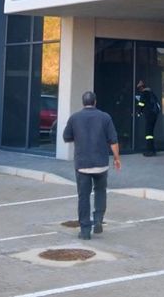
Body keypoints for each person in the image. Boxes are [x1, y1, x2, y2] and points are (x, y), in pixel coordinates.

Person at [62, 90, 121, 240]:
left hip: (82, 165)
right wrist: (116, 158)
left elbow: (66, 137)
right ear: (95, 102)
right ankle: (98, 219)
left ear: (83, 103)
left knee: (83, 197)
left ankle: (85, 231)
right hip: (101, 164)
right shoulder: (105, 117)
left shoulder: (74, 118)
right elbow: (113, 141)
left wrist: (78, 137)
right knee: (100, 191)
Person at [135, 79, 161, 156]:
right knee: (150, 133)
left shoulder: (144, 93)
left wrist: (138, 112)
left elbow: (141, 104)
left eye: (139, 88)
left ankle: (150, 151)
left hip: (149, 115)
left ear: (141, 87)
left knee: (148, 133)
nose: (139, 90)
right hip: (154, 115)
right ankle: (152, 150)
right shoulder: (151, 92)